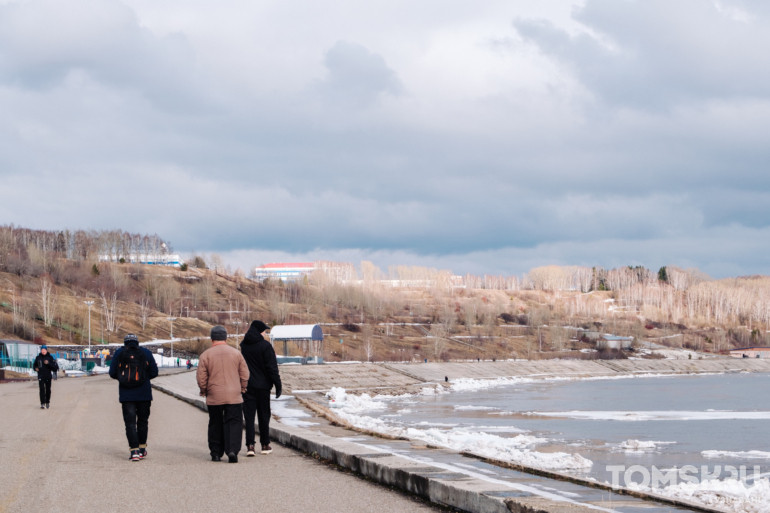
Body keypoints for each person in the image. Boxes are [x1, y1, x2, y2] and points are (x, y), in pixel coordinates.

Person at [197, 326, 249, 463]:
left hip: (214, 395)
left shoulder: (205, 355)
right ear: (226, 337)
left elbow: (201, 377)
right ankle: (232, 450)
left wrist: (203, 390)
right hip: (234, 395)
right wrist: (243, 387)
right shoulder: (236, 353)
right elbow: (245, 374)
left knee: (215, 423)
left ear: (212, 338)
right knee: (234, 422)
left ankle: (215, 453)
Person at [109, 334, 159, 462]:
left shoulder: (119, 353)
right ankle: (142, 449)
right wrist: (144, 378)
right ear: (137, 342)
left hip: (127, 395)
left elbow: (112, 373)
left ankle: (134, 451)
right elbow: (154, 372)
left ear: (125, 342)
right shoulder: (146, 353)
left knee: (130, 423)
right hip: (144, 394)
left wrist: (123, 379)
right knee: (143, 421)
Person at [240, 320, 282, 456]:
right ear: (259, 331)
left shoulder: (244, 346)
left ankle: (250, 446)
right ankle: (265, 444)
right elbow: (272, 367)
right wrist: (278, 384)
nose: (265, 333)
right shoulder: (265, 346)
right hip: (263, 387)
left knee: (249, 416)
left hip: (248, 386)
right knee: (264, 415)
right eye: (264, 331)